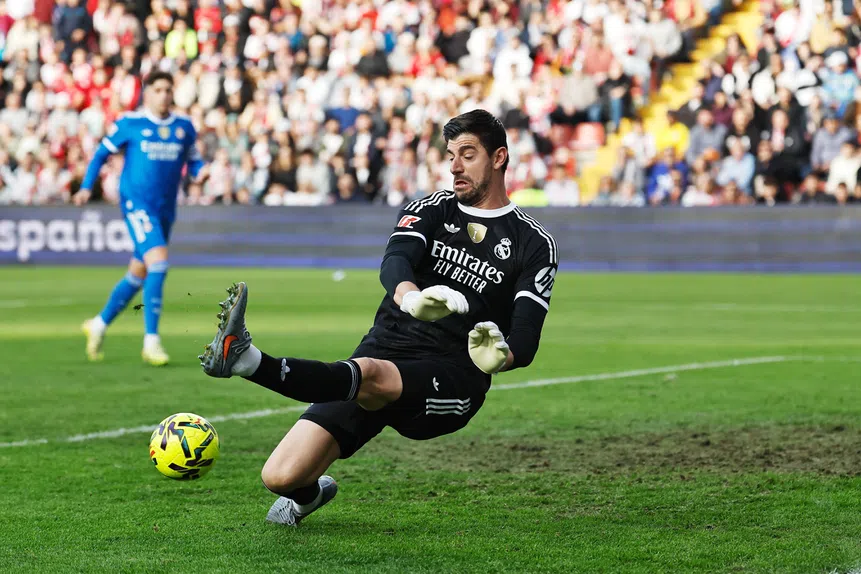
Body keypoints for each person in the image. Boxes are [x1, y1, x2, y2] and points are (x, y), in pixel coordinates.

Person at [198, 110, 558, 525]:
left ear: (499, 158)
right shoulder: (432, 208)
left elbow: (526, 336)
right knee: (280, 477)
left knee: (369, 374)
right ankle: (310, 497)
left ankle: (248, 361)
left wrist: (502, 356)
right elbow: (395, 262)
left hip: (451, 375)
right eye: (451, 155)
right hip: (384, 348)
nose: (455, 166)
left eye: (468, 154)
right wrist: (411, 299)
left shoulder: (533, 243)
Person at [75, 71, 207, 365]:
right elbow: (99, 155)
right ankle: (151, 341)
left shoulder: (184, 127)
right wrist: (86, 187)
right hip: (137, 204)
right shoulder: (130, 124)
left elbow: (195, 160)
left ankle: (98, 324)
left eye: (167, 89)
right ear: (147, 94)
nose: (164, 95)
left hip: (165, 208)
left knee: (139, 272)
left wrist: (201, 173)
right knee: (158, 263)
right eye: (158, 89)